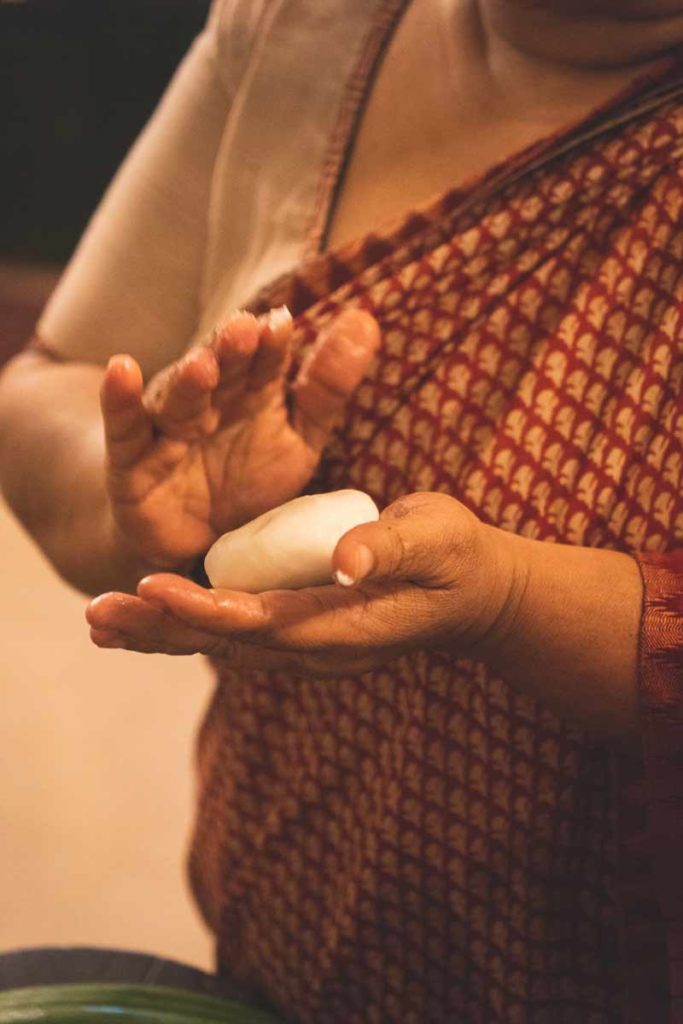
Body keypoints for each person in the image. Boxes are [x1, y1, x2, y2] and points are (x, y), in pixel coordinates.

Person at [0, 0, 682, 1020]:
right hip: (287, 952)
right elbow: (44, 384)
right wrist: (135, 496)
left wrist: (509, 598)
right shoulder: (304, 25)